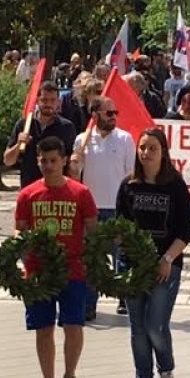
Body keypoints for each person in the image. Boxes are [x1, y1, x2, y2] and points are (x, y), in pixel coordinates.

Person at [15, 136, 98, 378]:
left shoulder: (81, 193)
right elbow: (20, 228)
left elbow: (93, 229)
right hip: (38, 272)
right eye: (43, 161)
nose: (49, 166)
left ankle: (70, 377)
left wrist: (95, 256)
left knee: (73, 325)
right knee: (43, 328)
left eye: (54, 161)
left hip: (72, 270)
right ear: (37, 161)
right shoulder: (27, 194)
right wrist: (20, 249)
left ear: (64, 160)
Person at [116, 128, 190, 378]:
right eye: (143, 147)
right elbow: (121, 226)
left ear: (164, 152)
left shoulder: (175, 185)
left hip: (166, 265)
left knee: (155, 326)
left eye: (152, 148)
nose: (146, 153)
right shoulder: (128, 185)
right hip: (134, 267)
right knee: (137, 327)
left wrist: (167, 260)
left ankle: (167, 373)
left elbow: (187, 229)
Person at [70, 96, 136, 320]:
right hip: (91, 210)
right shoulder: (82, 140)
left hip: (118, 208)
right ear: (95, 115)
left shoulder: (125, 139)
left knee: (122, 257)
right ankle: (89, 305)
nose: (114, 117)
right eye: (109, 113)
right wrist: (75, 162)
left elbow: (132, 175)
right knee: (92, 259)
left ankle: (124, 299)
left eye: (115, 112)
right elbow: (74, 176)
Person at [4, 81, 76, 189]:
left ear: (58, 102)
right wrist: (18, 145)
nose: (48, 104)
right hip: (30, 188)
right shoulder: (24, 125)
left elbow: (71, 162)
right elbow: (7, 161)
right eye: (44, 100)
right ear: (37, 101)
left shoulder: (66, 127)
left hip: (57, 189)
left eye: (52, 100)